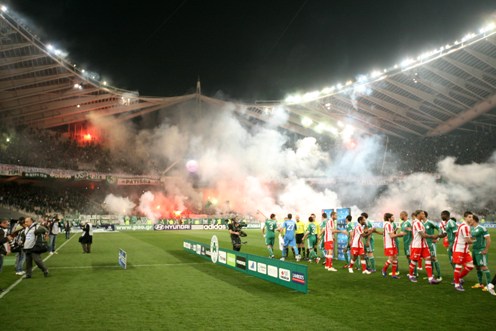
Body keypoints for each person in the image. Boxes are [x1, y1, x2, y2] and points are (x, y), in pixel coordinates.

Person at [408, 210, 440, 284]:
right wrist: (432, 236)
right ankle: (410, 275)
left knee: (428, 259)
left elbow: (423, 234)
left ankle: (430, 278)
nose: (424, 215)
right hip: (417, 245)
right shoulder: (417, 223)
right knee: (414, 261)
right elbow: (422, 235)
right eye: (422, 214)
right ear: (418, 215)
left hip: (424, 245)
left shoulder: (420, 223)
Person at [452, 211, 476, 291]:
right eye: (469, 217)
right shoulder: (465, 226)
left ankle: (457, 279)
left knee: (470, 266)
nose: (471, 218)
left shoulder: (465, 226)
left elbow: (468, 239)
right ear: (465, 217)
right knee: (458, 266)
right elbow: (467, 240)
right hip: (459, 249)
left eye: (472, 217)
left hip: (464, 250)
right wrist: (476, 241)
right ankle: (457, 284)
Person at [470, 215, 491, 291]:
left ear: (474, 220)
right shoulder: (472, 229)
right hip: (474, 250)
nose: (469, 221)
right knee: (477, 266)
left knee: (484, 267)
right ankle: (480, 283)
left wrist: (486, 249)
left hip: (481, 250)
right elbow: (472, 239)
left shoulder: (482, 228)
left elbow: (488, 239)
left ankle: (489, 286)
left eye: (471, 219)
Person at [423, 211, 444, 280]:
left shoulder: (430, 222)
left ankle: (439, 276)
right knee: (429, 259)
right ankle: (431, 275)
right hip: (425, 244)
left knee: (434, 258)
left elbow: (440, 229)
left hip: (431, 244)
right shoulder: (421, 223)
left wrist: (438, 238)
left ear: (424, 215)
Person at [382, 213, 403, 279]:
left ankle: (394, 274)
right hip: (389, 244)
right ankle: (384, 270)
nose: (394, 218)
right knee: (391, 259)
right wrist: (400, 234)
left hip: (392, 244)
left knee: (395, 258)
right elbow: (391, 235)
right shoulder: (388, 225)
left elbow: (391, 233)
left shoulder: (389, 224)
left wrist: (396, 230)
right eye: (392, 217)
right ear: (389, 218)